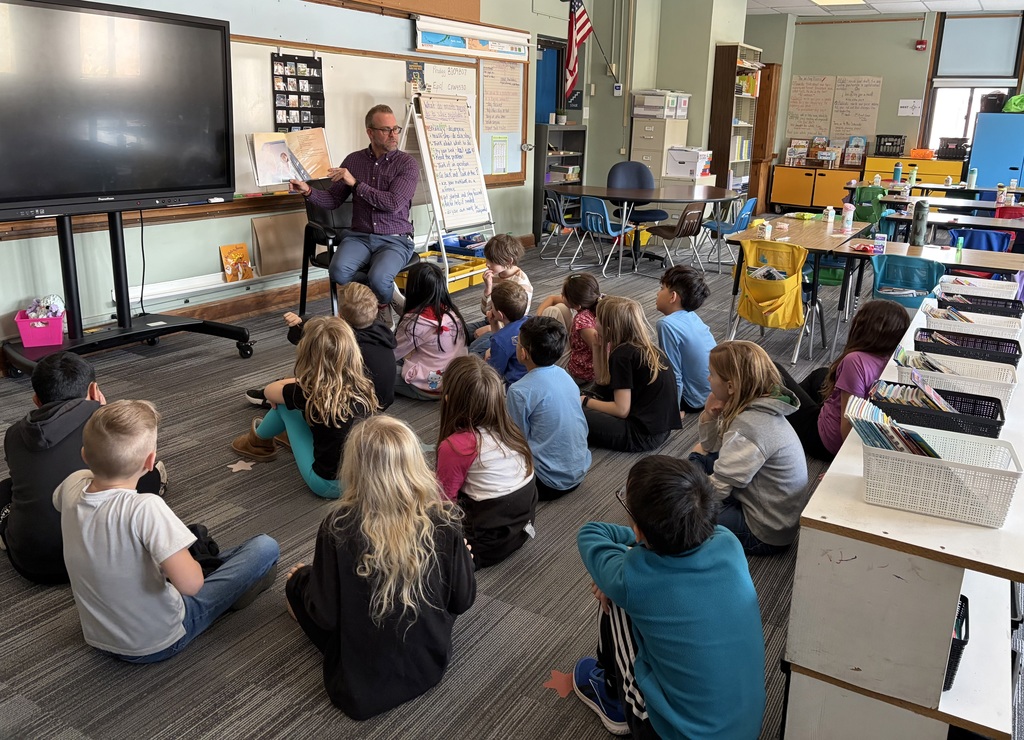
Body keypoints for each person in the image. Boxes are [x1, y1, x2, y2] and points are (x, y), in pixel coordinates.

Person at [54, 400, 279, 663]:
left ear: (84, 455)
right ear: (151, 462)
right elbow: (191, 585)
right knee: (265, 547)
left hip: (97, 637)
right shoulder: (145, 508)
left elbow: (71, 499)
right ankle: (234, 594)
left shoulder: (71, 485)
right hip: (158, 641)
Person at [285, 415, 476, 720]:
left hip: (357, 688)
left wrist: (306, 581)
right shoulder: (444, 519)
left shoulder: (338, 526)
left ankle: (300, 585)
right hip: (429, 666)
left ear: (354, 468)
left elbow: (325, 616)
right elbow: (462, 600)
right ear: (415, 463)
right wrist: (461, 559)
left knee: (297, 581)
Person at [574, 456, 766, 739]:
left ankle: (612, 696)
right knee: (619, 583)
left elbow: (590, 532)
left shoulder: (634, 577)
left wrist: (630, 551)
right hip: (746, 728)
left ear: (639, 529)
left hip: (671, 733)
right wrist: (642, 539)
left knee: (614, 599)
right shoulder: (729, 541)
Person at [1, 352, 165, 585]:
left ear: (36, 399)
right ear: (94, 390)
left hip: (32, 564)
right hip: (98, 559)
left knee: (9, 487)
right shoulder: (104, 425)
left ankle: (8, 528)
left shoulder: (13, 433)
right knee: (145, 472)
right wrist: (102, 412)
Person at [289, 104, 419, 326]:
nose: (393, 134)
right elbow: (333, 200)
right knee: (338, 272)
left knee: (379, 278)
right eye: (386, 130)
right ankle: (385, 295)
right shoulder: (353, 161)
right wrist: (308, 191)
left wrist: (356, 184)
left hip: (395, 238)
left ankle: (383, 297)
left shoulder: (407, 164)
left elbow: (393, 204)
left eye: (395, 129)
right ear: (370, 132)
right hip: (360, 236)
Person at [231, 317, 377, 499]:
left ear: (306, 355)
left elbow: (269, 391)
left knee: (284, 407)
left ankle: (257, 442)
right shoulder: (364, 386)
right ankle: (274, 438)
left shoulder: (309, 392)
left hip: (329, 486)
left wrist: (300, 382)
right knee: (292, 402)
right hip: (365, 480)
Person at [690, 341, 810, 556]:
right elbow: (712, 447)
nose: (708, 379)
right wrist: (709, 415)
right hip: (766, 508)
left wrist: (681, 503)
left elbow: (719, 488)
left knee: (682, 516)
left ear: (730, 386)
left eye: (712, 374)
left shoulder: (750, 426)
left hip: (763, 531)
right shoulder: (759, 407)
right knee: (697, 460)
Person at [436, 355, 537, 568]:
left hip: (483, 545)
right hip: (520, 529)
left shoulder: (456, 446)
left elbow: (444, 504)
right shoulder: (509, 430)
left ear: (448, 399)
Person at [777, 299, 911, 461]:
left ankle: (781, 416)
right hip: (840, 425)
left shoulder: (855, 361)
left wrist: (844, 461)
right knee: (820, 374)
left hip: (825, 440)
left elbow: (848, 422)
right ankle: (785, 413)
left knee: (774, 370)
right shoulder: (893, 359)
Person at [246, 282, 397, 411]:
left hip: (358, 407)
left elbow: (313, 344)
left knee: (310, 364)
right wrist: (300, 324)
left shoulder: (342, 343)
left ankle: (278, 395)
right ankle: (283, 387)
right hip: (382, 400)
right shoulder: (381, 331)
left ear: (340, 315)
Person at [506, 317, 591, 501]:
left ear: (524, 353)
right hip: (579, 470)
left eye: (517, 343)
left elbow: (516, 441)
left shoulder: (518, 391)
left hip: (547, 482)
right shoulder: (564, 374)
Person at [582, 296, 681, 452]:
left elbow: (621, 410)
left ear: (609, 329)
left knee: (570, 411)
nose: (594, 322)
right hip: (659, 430)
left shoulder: (622, 355)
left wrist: (586, 401)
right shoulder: (644, 347)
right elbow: (601, 382)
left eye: (598, 319)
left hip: (641, 435)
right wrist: (597, 347)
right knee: (583, 397)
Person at [393, 262, 469, 401]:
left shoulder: (414, 322)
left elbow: (393, 353)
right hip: (454, 380)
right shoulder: (452, 312)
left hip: (428, 387)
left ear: (413, 288)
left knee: (375, 369)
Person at [655, 265, 716, 415]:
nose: (657, 293)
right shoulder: (692, 315)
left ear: (673, 297)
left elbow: (673, 373)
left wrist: (673, 413)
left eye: (662, 288)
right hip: (712, 393)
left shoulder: (666, 324)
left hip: (692, 400)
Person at [468, 234, 534, 355]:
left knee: (474, 352)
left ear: (508, 261)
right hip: (492, 319)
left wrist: (489, 328)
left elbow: (517, 321)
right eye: (487, 259)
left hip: (508, 329)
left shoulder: (522, 284)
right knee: (458, 331)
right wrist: (488, 288)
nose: (487, 264)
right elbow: (486, 311)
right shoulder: (496, 275)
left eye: (492, 261)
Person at [535, 272, 602, 384]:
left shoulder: (582, 321)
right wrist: (537, 317)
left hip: (576, 373)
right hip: (580, 356)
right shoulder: (594, 300)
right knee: (560, 307)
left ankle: (542, 360)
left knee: (552, 311)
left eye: (563, 295)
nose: (561, 296)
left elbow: (601, 348)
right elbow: (551, 298)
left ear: (577, 306)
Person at [484, 281, 530, 387]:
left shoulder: (500, 340)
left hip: (515, 386)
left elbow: (494, 372)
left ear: (500, 314)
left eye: (492, 306)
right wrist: (494, 324)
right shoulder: (531, 321)